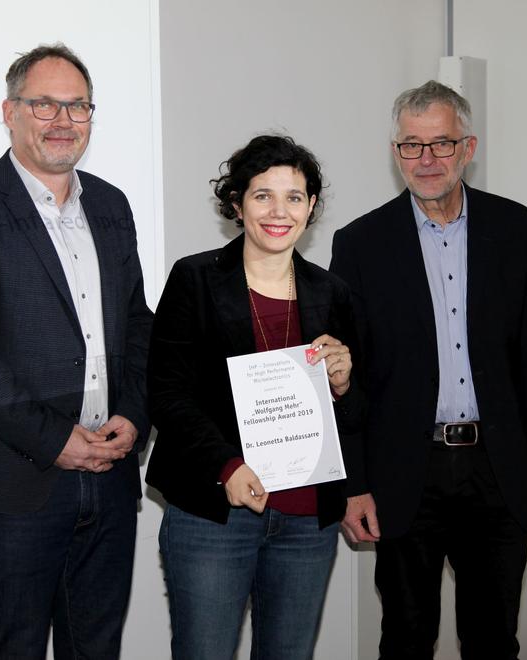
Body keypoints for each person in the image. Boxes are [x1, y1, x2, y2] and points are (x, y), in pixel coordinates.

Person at [0, 43, 152, 659]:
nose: (62, 119)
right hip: (14, 480)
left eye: (77, 106)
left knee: (96, 648)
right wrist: (53, 440)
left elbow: (135, 322)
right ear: (10, 111)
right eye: (44, 103)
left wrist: (134, 413)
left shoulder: (111, 204)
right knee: (13, 648)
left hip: (111, 472)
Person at [330, 80, 527, 659]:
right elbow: (348, 380)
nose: (427, 159)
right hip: (404, 472)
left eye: (442, 143)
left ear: (469, 148)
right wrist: (354, 484)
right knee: (406, 638)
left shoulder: (520, 231)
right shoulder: (359, 243)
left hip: (499, 467)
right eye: (412, 145)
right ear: (396, 153)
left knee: (493, 639)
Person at [146, 135, 364, 660]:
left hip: (307, 519)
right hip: (213, 512)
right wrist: (227, 467)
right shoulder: (194, 278)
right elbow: (166, 392)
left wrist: (342, 382)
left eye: (294, 197)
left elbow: (354, 411)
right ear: (237, 202)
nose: (278, 211)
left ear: (311, 207)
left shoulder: (331, 292)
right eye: (262, 195)